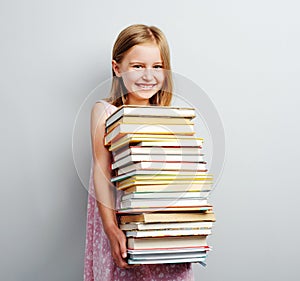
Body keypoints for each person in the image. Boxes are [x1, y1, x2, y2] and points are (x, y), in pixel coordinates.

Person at [83, 24, 194, 281]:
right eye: (137, 66)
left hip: (162, 228)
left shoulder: (172, 118)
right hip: (122, 223)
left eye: (157, 67)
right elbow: (101, 172)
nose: (148, 75)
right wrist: (111, 229)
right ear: (117, 68)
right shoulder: (104, 112)